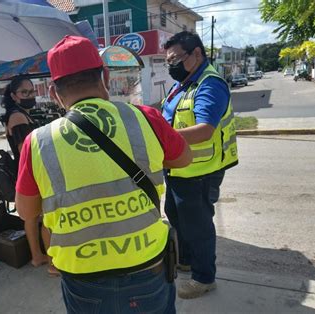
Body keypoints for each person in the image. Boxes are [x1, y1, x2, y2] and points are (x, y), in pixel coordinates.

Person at [16, 35, 192, 313]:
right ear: (105, 76)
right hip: (147, 264)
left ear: (53, 92)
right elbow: (184, 158)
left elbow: (26, 212)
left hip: (84, 276)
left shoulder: (37, 142)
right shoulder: (145, 118)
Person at [161, 31, 238, 299]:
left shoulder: (210, 83)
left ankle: (204, 278)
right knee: (174, 213)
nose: (171, 65)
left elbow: (205, 129)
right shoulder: (183, 83)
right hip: (177, 168)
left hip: (199, 171)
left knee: (198, 226)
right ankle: (188, 260)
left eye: (175, 59)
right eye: (167, 61)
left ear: (197, 54)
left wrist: (160, 139)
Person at [0, 77, 50, 269]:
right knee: (45, 217)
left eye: (32, 91)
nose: (30, 96)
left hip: (27, 170)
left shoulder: (20, 114)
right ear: (14, 96)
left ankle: (37, 256)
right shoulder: (18, 116)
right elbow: (24, 149)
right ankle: (51, 262)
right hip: (33, 171)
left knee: (32, 217)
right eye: (25, 92)